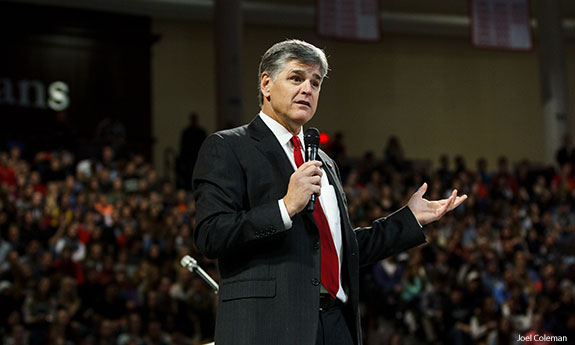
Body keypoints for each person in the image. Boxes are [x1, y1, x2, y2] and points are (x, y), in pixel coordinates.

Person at [192, 39, 466, 345]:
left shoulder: (324, 162)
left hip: (336, 324)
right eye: (296, 78)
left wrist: (410, 219)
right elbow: (211, 235)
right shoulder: (229, 147)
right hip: (269, 326)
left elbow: (339, 248)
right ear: (266, 84)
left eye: (315, 82)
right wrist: (285, 207)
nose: (308, 89)